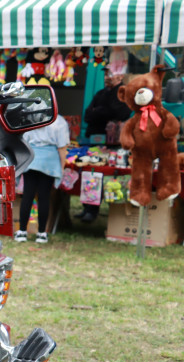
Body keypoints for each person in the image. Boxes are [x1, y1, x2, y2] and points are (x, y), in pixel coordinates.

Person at [79, 67, 132, 223]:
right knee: (90, 174)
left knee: (104, 176)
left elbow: (119, 113)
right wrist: (102, 112)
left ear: (120, 75)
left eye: (111, 74)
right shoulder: (100, 93)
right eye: (106, 74)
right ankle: (87, 208)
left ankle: (95, 211)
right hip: (94, 140)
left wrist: (101, 111)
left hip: (112, 143)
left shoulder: (122, 93)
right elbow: (87, 115)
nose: (107, 77)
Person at [14, 114, 70, 244]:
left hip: (31, 158)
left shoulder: (28, 119)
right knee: (44, 197)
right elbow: (62, 148)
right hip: (49, 161)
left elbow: (21, 141)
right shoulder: (59, 121)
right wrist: (61, 167)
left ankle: (22, 231)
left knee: (27, 195)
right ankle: (42, 234)